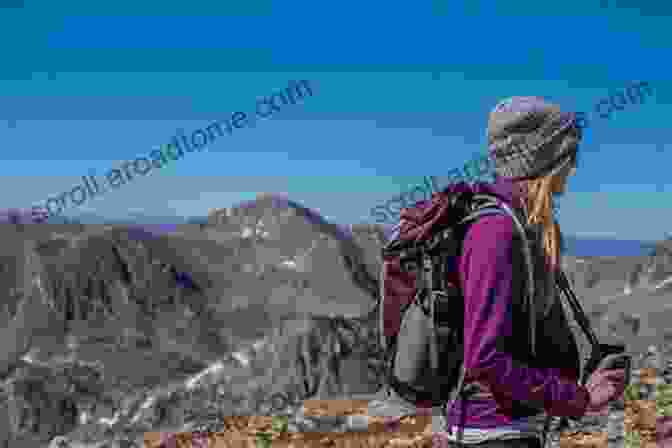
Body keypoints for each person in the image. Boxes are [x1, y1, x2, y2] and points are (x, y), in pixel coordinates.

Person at [434, 96, 628, 447]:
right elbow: (486, 359)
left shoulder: (519, 228)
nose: (574, 167)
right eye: (570, 155)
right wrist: (579, 400)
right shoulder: (498, 231)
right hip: (492, 436)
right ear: (547, 160)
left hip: (508, 431)